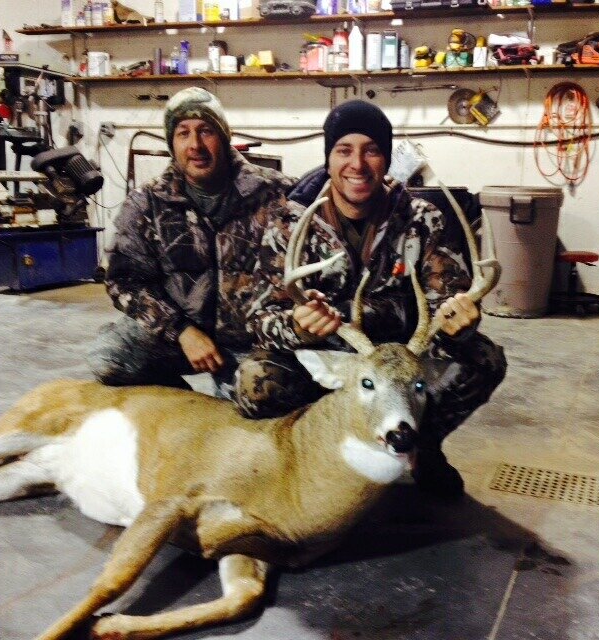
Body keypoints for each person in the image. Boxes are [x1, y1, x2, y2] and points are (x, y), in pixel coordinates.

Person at [237, 100, 507, 499]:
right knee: (256, 382)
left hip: (400, 364)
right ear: (328, 159)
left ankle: (421, 445)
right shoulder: (290, 223)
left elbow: (448, 299)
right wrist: (296, 326)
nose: (358, 164)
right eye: (344, 150)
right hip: (331, 363)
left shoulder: (422, 219)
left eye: (372, 150)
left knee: (484, 360)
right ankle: (316, 453)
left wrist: (457, 323)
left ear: (386, 160)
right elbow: (258, 316)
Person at [87, 87, 293, 394]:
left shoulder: (274, 192)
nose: (195, 144)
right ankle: (184, 406)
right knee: (108, 357)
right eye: (183, 133)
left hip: (250, 342)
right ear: (172, 143)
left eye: (205, 131)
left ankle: (231, 390)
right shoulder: (146, 202)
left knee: (259, 398)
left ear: (223, 138)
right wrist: (181, 331)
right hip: (179, 338)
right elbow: (123, 282)